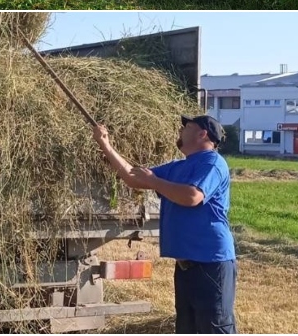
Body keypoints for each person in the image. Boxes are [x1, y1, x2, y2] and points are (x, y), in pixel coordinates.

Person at [91, 114, 237, 334]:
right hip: (186, 266)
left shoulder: (213, 163)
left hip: (211, 264)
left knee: (213, 327)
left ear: (202, 134)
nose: (180, 130)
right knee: (187, 328)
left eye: (186, 126)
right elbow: (134, 177)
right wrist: (105, 144)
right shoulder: (178, 167)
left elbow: (192, 197)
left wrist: (155, 181)